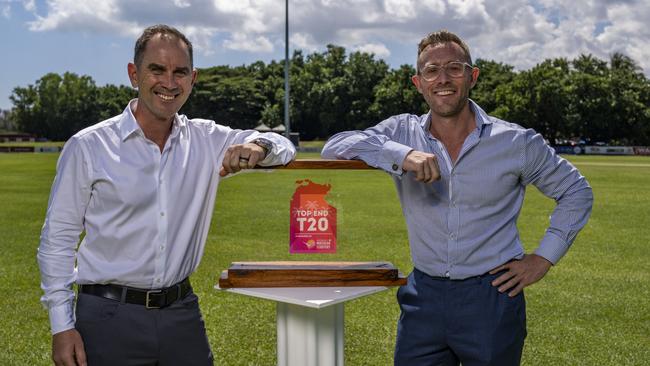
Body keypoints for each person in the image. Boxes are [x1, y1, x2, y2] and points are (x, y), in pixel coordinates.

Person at [321, 30, 593, 366]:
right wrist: (402, 155)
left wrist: (543, 258)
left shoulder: (516, 142)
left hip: (493, 296)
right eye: (432, 71)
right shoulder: (401, 131)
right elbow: (336, 144)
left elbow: (576, 191)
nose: (443, 79)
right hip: (423, 297)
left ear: (472, 76)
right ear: (418, 83)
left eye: (454, 68)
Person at [37, 24, 295, 366]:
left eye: (180, 72)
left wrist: (258, 144)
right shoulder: (88, 146)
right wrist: (61, 326)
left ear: (193, 78)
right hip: (107, 317)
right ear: (134, 74)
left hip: (181, 314)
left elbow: (284, 145)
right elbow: (57, 240)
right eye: (156, 69)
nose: (169, 83)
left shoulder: (206, 139)